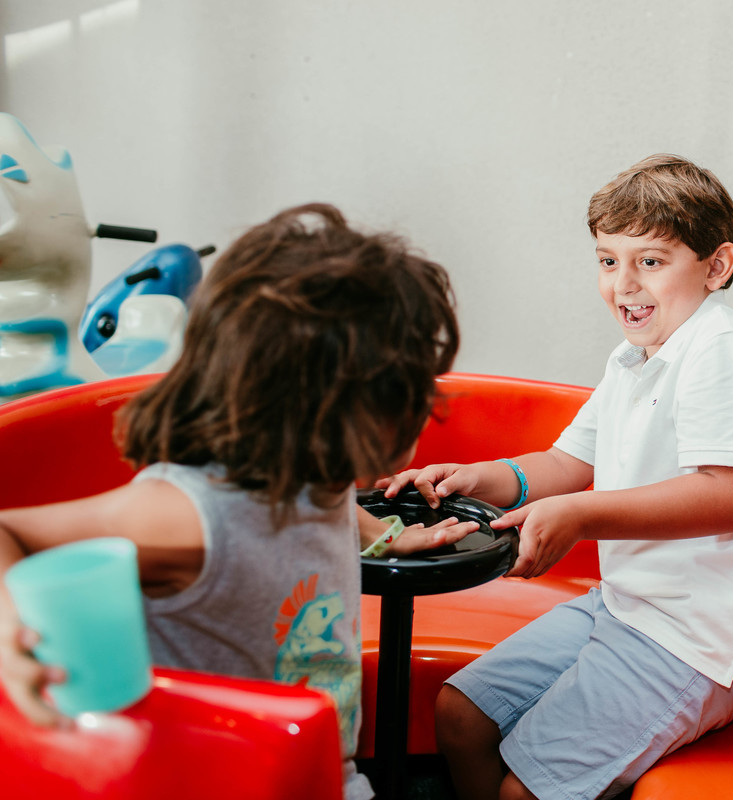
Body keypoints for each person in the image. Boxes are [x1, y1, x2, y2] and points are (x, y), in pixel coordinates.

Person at [0, 203, 475, 800]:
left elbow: (331, 508)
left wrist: (387, 536)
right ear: (318, 409)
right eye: (404, 396)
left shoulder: (317, 477)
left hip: (325, 775)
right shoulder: (191, 515)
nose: (423, 413)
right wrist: (9, 631)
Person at [379, 154, 733, 800]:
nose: (623, 285)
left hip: (695, 639)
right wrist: (472, 478)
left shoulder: (723, 349)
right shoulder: (633, 358)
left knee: (526, 791)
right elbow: (566, 464)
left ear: (717, 266)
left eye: (649, 261)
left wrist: (579, 516)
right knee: (461, 715)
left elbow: (729, 496)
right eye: (608, 261)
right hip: (625, 604)